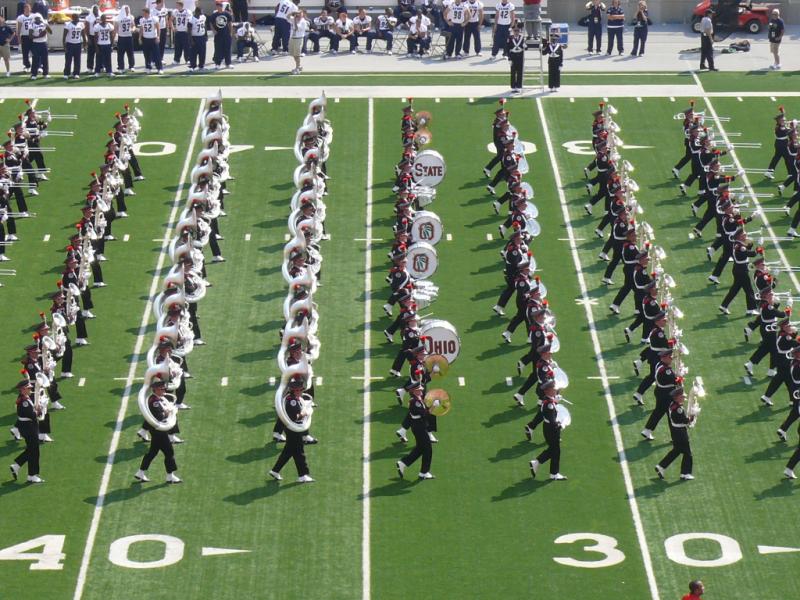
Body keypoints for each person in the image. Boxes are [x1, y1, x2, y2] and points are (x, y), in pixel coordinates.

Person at [134, 379, 182, 483]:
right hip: (158, 431)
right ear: (155, 389)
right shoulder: (154, 402)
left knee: (152, 452)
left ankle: (140, 472)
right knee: (169, 452)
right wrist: (169, 412)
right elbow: (159, 417)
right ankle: (170, 476)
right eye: (161, 389)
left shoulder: (157, 399)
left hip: (157, 431)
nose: (164, 390)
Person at [269, 377, 314, 483]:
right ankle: (303, 475)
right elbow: (295, 417)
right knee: (299, 452)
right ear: (295, 390)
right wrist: (305, 413)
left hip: (292, 430)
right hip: (293, 430)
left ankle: (275, 470)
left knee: (288, 451)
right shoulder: (292, 401)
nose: (301, 392)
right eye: (300, 390)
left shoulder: (293, 399)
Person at [529, 379, 567, 480]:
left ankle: (537, 463)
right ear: (548, 391)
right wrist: (561, 424)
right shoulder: (549, 405)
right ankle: (553, 473)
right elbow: (552, 420)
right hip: (551, 429)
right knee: (556, 450)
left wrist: (555, 401)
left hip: (548, 428)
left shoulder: (547, 400)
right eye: (554, 389)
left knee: (553, 449)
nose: (556, 390)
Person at [396, 384, 435, 480]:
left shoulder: (418, 399)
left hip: (419, 426)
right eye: (419, 389)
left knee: (420, 448)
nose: (421, 390)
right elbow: (424, 414)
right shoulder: (414, 402)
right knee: (428, 449)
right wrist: (434, 406)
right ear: (414, 391)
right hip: (419, 428)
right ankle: (424, 472)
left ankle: (403, 463)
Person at [655, 386, 695, 481]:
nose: (684, 398)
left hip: (676, 432)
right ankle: (685, 473)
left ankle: (661, 466)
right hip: (681, 433)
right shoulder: (678, 409)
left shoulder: (673, 405)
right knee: (687, 453)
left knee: (676, 451)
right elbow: (685, 421)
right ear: (677, 397)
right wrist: (693, 416)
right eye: (682, 396)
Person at [9, 380, 44, 484]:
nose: (30, 389)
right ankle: (31, 476)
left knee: (32, 449)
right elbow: (32, 415)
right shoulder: (24, 401)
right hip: (28, 428)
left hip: (28, 427)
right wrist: (40, 409)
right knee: (34, 451)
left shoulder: (25, 398)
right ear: (23, 389)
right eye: (28, 388)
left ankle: (16, 466)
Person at [139, 7, 163, 73]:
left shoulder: (153, 18)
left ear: (147, 13)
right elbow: (141, 29)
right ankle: (148, 67)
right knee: (146, 55)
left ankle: (159, 68)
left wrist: (158, 36)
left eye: (144, 13)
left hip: (153, 38)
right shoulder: (142, 20)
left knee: (156, 54)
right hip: (145, 39)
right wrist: (139, 38)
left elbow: (158, 28)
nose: (143, 14)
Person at [210, 1, 234, 69]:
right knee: (218, 50)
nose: (218, 7)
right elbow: (211, 23)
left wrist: (231, 32)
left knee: (227, 49)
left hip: (226, 34)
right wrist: (214, 30)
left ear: (221, 6)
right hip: (218, 35)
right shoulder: (214, 15)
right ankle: (217, 64)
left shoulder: (227, 14)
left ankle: (228, 63)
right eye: (217, 6)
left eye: (219, 6)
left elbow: (230, 23)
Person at [62, 12, 85, 79]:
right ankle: (66, 73)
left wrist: (85, 44)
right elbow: (64, 36)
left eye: (78, 17)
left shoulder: (81, 24)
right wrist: (64, 45)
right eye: (77, 17)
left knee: (77, 60)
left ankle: (76, 73)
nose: (78, 19)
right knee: (68, 60)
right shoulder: (68, 24)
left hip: (78, 44)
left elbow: (83, 35)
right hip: (70, 44)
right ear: (73, 18)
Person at [29, 13, 50, 80]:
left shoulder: (44, 24)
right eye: (36, 18)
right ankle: (34, 74)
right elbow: (30, 36)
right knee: (35, 59)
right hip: (36, 44)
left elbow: (50, 32)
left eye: (39, 18)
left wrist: (47, 25)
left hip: (44, 43)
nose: (38, 19)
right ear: (34, 19)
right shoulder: (32, 25)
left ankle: (45, 73)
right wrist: (39, 36)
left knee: (45, 59)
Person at [115, 5, 135, 72]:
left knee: (130, 52)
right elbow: (116, 28)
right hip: (121, 37)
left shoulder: (131, 17)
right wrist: (118, 34)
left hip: (129, 37)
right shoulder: (118, 18)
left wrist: (133, 29)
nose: (127, 11)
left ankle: (131, 66)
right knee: (120, 53)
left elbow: (133, 25)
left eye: (128, 9)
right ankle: (121, 67)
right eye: (126, 9)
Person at [507, 24, 525, 94]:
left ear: (519, 31)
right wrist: (509, 58)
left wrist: (525, 46)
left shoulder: (522, 38)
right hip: (513, 57)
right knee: (513, 73)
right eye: (515, 31)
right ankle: (513, 87)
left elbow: (525, 48)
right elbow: (507, 48)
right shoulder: (510, 38)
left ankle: (519, 87)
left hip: (520, 57)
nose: (516, 32)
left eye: (517, 31)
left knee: (520, 72)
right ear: (513, 31)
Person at [188, 6, 207, 70]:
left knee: (202, 52)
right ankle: (193, 66)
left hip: (202, 37)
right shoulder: (191, 19)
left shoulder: (203, 17)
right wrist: (191, 40)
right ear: (197, 12)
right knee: (193, 53)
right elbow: (189, 30)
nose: (202, 12)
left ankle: (201, 66)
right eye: (201, 11)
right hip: (195, 37)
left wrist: (206, 35)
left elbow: (205, 26)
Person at [16, 4, 33, 73]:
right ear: (24, 9)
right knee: (25, 53)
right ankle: (27, 65)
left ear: (30, 9)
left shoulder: (33, 16)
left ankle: (37, 66)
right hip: (25, 36)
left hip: (32, 36)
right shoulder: (21, 17)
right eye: (26, 8)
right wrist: (19, 39)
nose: (27, 10)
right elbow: (18, 29)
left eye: (28, 8)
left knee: (35, 52)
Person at [85, 5, 99, 73]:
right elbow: (86, 28)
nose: (96, 11)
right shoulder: (88, 17)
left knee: (100, 53)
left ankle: (100, 66)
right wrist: (88, 38)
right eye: (95, 9)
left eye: (97, 9)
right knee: (91, 53)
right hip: (92, 36)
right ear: (92, 10)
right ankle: (90, 67)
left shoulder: (100, 16)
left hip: (99, 37)